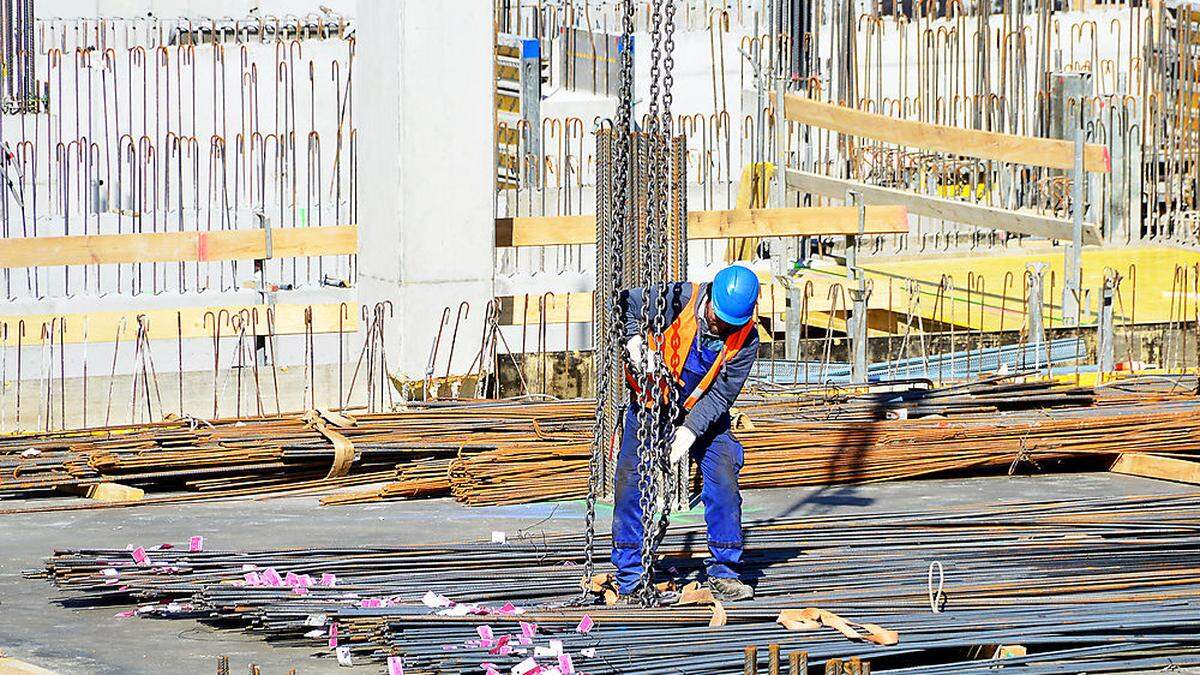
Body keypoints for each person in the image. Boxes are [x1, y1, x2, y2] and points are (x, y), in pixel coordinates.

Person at [611, 264, 761, 602]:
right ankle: (631, 575)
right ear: (709, 297)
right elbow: (624, 304)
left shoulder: (746, 338)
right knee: (630, 479)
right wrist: (635, 340)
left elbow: (722, 395)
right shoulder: (678, 298)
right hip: (653, 403)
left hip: (703, 412)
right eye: (716, 317)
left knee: (723, 471)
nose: (720, 326)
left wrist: (690, 432)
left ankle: (725, 571)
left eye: (729, 324)